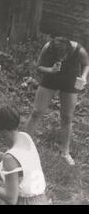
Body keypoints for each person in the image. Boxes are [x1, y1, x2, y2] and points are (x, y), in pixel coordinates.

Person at [25, 37, 89, 166]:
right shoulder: (48, 47)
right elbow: (39, 67)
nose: (60, 59)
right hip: (50, 79)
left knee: (67, 117)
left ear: (69, 51)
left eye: (63, 57)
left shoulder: (79, 50)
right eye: (57, 57)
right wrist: (50, 70)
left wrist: (83, 76)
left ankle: (65, 152)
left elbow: (86, 64)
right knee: (36, 112)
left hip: (70, 81)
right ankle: (23, 143)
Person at [0, 106, 49, 205]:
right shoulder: (25, 137)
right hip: (41, 199)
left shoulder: (10, 158)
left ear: (2, 131)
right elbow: (13, 162)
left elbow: (10, 199)